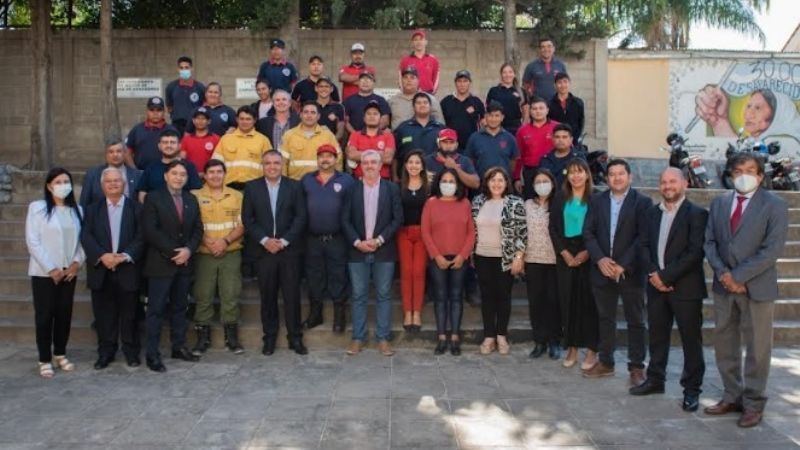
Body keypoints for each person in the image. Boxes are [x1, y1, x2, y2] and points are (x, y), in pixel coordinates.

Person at [703, 153, 788, 428]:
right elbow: (710, 243)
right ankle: (732, 395)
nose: (744, 175)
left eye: (750, 170)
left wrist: (739, 276)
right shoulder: (719, 203)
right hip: (724, 286)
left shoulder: (775, 205)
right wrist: (724, 275)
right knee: (725, 344)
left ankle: (753, 403)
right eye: (738, 170)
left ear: (761, 175)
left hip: (757, 287)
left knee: (757, 348)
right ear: (730, 174)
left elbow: (772, 249)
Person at [630, 167, 708, 414]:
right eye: (663, 182)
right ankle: (655, 380)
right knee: (657, 336)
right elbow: (643, 246)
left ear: (684, 183)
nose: (667, 186)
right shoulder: (652, 214)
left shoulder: (697, 214)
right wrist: (655, 275)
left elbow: (695, 252)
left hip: (685, 288)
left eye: (673, 181)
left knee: (690, 341)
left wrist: (666, 276)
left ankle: (692, 390)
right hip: (656, 287)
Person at [582, 159, 653, 385]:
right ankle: (606, 362)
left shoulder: (643, 202)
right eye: (612, 174)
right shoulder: (597, 200)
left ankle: (636, 367)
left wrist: (623, 265)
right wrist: (601, 259)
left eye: (621, 174)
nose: (616, 178)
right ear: (607, 178)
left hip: (630, 272)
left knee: (635, 320)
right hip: (602, 270)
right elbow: (588, 233)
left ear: (629, 177)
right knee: (605, 318)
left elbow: (644, 237)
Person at [242, 151, 309, 356]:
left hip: (288, 251)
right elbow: (248, 218)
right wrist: (265, 241)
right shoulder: (252, 187)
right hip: (264, 252)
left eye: (276, 163)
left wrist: (284, 241)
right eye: (268, 163)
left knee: (292, 296)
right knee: (268, 296)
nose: (272, 166)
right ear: (262, 165)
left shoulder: (295, 186)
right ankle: (269, 338)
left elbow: (301, 217)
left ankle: (295, 338)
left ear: (282, 165)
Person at [141, 161, 203, 372]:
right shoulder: (153, 198)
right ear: (166, 176)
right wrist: (174, 252)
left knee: (179, 308)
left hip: (184, 264)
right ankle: (152, 354)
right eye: (174, 173)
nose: (178, 177)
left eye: (183, 174)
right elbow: (151, 230)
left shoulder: (191, 199)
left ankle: (179, 346)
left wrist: (188, 250)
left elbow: (197, 229)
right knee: (156, 310)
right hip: (160, 264)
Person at [340, 150, 403, 357]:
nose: (369, 165)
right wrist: (358, 242)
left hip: (383, 250)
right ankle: (358, 338)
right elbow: (345, 219)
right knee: (358, 295)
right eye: (365, 162)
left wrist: (379, 240)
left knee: (384, 295)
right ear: (360, 165)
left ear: (380, 165)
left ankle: (383, 338)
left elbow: (397, 219)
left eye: (373, 162)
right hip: (357, 250)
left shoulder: (391, 188)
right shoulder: (351, 189)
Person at [80, 167, 144, 369]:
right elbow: (86, 236)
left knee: (130, 315)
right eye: (109, 181)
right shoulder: (92, 209)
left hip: (127, 269)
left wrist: (124, 256)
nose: (113, 184)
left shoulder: (137, 208)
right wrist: (102, 256)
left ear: (124, 184)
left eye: (117, 180)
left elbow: (141, 236)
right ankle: (105, 353)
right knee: (103, 316)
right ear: (102, 185)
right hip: (101, 269)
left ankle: (131, 352)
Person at [25, 168, 85, 378]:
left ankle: (60, 353)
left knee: (64, 314)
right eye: (58, 182)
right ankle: (44, 358)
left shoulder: (77, 210)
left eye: (66, 181)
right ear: (49, 186)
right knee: (44, 316)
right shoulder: (37, 208)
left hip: (69, 273)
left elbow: (81, 242)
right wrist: (51, 268)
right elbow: (33, 241)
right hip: (44, 273)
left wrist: (76, 263)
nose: (63, 185)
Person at [190, 159, 246, 357]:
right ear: (204, 175)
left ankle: (232, 338)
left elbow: (242, 224)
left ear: (225, 174)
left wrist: (224, 241)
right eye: (211, 172)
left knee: (230, 293)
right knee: (203, 295)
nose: (215, 176)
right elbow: (192, 225)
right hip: (204, 253)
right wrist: (208, 243)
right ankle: (202, 338)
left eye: (219, 172)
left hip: (230, 252)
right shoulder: (194, 196)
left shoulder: (236, 196)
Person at [300, 144, 355, 333]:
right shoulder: (307, 180)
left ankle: (339, 317)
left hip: (338, 238)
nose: (325, 159)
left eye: (329, 156)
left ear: (336, 159)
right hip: (312, 238)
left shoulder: (347, 180)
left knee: (338, 277)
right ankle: (315, 315)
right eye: (322, 156)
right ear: (317, 159)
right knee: (314, 278)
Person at [472, 167, 526, 355]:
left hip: (505, 258)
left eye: (500, 180)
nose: (496, 184)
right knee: (487, 297)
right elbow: (473, 229)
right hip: (482, 256)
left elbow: (521, 231)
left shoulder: (515, 202)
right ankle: (489, 336)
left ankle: (501, 335)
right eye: (492, 180)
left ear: (506, 183)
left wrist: (519, 257)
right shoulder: (478, 201)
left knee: (503, 296)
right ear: (487, 182)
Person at [550, 158, 598, 369]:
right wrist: (564, 253)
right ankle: (572, 347)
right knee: (567, 302)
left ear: (587, 174)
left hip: (589, 251)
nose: (576, 176)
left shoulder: (596, 199)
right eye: (572, 172)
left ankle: (592, 349)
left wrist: (588, 251)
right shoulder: (560, 198)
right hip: (565, 254)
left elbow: (601, 228)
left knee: (589, 303)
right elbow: (553, 228)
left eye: (580, 172)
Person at [421, 168, 475, 355]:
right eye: (445, 180)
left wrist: (463, 255)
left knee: (456, 296)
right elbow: (425, 232)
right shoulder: (431, 203)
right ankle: (442, 336)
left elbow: (471, 232)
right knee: (440, 297)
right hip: (438, 258)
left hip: (460, 257)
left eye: (452, 181)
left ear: (458, 184)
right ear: (438, 182)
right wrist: (436, 256)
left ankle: (455, 337)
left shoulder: (465, 203)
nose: (448, 184)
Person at [524, 168, 560, 359]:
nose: (542, 185)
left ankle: (554, 341)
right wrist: (520, 257)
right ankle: (540, 341)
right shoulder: (527, 204)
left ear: (552, 183)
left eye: (545, 181)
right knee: (536, 302)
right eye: (538, 182)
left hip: (554, 260)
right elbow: (522, 232)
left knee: (553, 302)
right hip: (532, 260)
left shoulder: (559, 204)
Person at [397, 150, 429, 332]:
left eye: (417, 162)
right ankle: (407, 311)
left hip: (423, 233)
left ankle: (416, 312)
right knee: (406, 272)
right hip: (404, 233)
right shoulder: (398, 186)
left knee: (418, 272)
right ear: (405, 165)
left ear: (422, 166)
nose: (414, 166)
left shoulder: (429, 187)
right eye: (410, 162)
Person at [212, 105, 273, 190]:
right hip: (228, 188)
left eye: (248, 119)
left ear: (254, 120)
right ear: (237, 119)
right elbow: (215, 164)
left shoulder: (263, 140)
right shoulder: (225, 139)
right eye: (242, 119)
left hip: (254, 188)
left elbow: (270, 166)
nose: (245, 122)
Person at [136, 129, 202, 203]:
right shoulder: (151, 167)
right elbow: (142, 192)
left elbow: (196, 192)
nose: (169, 145)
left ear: (179, 146)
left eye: (173, 142)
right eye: (165, 142)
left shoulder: (189, 166)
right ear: (159, 146)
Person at [279, 101, 341, 180]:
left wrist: (335, 182)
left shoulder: (328, 135)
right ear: (300, 115)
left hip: (321, 185)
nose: (309, 115)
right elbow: (282, 162)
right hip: (295, 184)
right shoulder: (289, 135)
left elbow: (338, 160)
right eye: (306, 112)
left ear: (318, 116)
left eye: (313, 112)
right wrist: (284, 184)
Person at [514, 96, 558, 197]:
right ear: (530, 111)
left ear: (547, 110)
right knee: (530, 202)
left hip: (553, 171)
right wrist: (516, 178)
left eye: (541, 108)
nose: (538, 111)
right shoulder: (522, 131)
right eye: (534, 108)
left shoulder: (556, 128)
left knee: (553, 203)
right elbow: (518, 156)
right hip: (530, 173)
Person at [393, 92, 445, 178]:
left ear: (430, 106)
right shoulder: (403, 128)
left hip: (435, 177)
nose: (422, 105)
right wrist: (395, 177)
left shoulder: (440, 129)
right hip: (407, 177)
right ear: (413, 107)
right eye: (418, 103)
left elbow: (447, 154)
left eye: (425, 102)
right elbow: (395, 155)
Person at [80, 138, 142, 208]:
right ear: (106, 154)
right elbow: (84, 203)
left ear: (125, 153)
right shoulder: (92, 175)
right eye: (111, 152)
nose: (115, 155)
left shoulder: (137, 175)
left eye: (119, 151)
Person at [465, 101, 519, 179]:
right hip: (481, 185)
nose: (493, 119)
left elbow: (513, 163)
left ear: (502, 117)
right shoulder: (474, 138)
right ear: (485, 116)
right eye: (490, 115)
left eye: (497, 116)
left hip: (503, 185)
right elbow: (469, 162)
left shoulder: (510, 138)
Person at [124, 96, 179, 170]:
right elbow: (127, 151)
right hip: (141, 173)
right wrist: (134, 170)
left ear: (164, 112)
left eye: (159, 110)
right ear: (147, 111)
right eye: (152, 110)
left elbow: (179, 152)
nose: (155, 113)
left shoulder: (172, 130)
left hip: (166, 173)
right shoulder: (137, 129)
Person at [346, 100, 395, 180]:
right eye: (368, 114)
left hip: (382, 179)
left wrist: (361, 153)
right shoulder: (355, 135)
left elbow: (388, 159)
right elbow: (352, 155)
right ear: (364, 118)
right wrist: (379, 153)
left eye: (375, 114)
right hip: (360, 179)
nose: (372, 116)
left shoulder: (388, 136)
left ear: (380, 118)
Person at [440, 70, 485, 150]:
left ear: (470, 83)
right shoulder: (446, 102)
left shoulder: (476, 102)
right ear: (455, 83)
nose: (462, 84)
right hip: (450, 147)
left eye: (465, 81)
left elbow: (484, 122)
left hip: (471, 147)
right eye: (459, 81)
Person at [165, 55, 205, 134]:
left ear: (191, 69)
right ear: (178, 69)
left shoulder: (200, 87)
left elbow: (203, 106)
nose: (184, 70)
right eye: (181, 68)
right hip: (176, 125)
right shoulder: (171, 87)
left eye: (186, 68)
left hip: (195, 126)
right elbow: (169, 107)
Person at [486, 63, 528, 136]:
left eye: (510, 72)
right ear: (501, 75)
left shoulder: (521, 91)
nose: (507, 75)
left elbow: (526, 112)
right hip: (497, 128)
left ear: (514, 74)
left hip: (515, 128)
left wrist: (523, 128)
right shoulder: (493, 91)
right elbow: (487, 111)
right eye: (504, 72)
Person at [539, 123, 586, 188]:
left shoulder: (578, 158)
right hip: (550, 196)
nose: (560, 140)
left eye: (564, 137)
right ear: (552, 139)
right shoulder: (545, 159)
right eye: (557, 137)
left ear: (571, 139)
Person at [523, 37, 568, 102]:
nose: (546, 49)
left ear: (553, 49)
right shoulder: (531, 66)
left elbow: (565, 84)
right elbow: (526, 85)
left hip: (557, 103)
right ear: (539, 50)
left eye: (549, 46)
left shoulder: (560, 65)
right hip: (538, 106)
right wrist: (531, 98)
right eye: (543, 47)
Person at [180, 107, 220, 176]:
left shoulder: (216, 139)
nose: (200, 121)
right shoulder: (186, 139)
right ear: (193, 120)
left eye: (203, 118)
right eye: (198, 118)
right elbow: (182, 160)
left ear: (209, 121)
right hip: (190, 177)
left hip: (210, 177)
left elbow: (219, 161)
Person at [398, 29, 440, 95]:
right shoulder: (405, 60)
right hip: (410, 95)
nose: (418, 42)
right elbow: (401, 79)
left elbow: (436, 79)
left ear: (426, 42)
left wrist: (431, 94)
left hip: (428, 95)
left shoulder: (433, 60)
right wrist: (405, 93)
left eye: (421, 39)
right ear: (412, 42)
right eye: (416, 40)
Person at [547, 72, 584, 142]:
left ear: (569, 83)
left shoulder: (578, 102)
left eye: (565, 82)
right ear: (555, 85)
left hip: (573, 141)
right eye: (559, 82)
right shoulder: (549, 104)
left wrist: (574, 138)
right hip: (555, 141)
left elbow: (580, 123)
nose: (563, 85)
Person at [315, 76, 346, 141]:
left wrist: (332, 142)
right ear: (316, 88)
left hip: (331, 144)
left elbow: (340, 130)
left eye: (327, 86)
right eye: (321, 86)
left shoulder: (338, 107)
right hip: (311, 143)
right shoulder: (310, 106)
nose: (324, 89)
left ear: (331, 89)